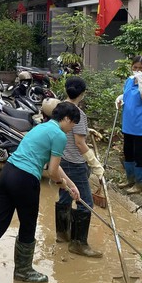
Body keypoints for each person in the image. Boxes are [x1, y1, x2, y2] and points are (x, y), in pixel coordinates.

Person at [0, 102, 81, 283]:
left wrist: (72, 185)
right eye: (72, 124)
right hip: (25, 180)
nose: (71, 128)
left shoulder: (42, 127)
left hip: (8, 173)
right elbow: (52, 171)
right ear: (66, 119)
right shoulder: (59, 135)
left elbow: (55, 167)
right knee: (28, 226)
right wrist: (62, 185)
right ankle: (23, 271)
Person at [55, 76, 104, 258]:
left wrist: (87, 130)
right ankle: (78, 244)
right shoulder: (79, 114)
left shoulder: (59, 107)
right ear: (82, 94)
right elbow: (80, 143)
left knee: (65, 195)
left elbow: (69, 132)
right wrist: (95, 164)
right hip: (75, 163)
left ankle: (62, 233)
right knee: (85, 202)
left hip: (60, 160)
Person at [115, 55, 142, 194]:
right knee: (128, 151)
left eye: (141, 68)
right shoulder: (129, 81)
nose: (137, 70)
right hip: (128, 122)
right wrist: (120, 100)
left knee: (139, 153)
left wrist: (141, 82)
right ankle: (130, 179)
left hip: (141, 125)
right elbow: (127, 96)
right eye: (135, 67)